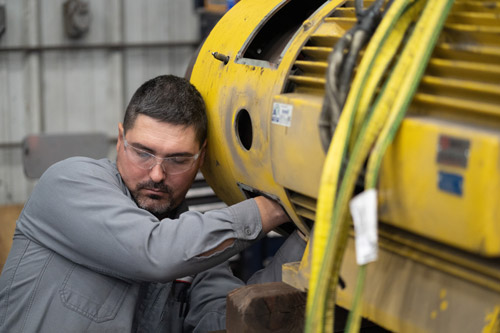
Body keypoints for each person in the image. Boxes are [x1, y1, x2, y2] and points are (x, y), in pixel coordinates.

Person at [0, 75, 305, 332]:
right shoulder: (69, 183)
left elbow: (230, 320)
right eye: (143, 152)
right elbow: (154, 251)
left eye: (178, 159)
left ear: (201, 158)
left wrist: (310, 231)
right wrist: (274, 207)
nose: (157, 174)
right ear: (121, 140)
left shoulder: (196, 252)